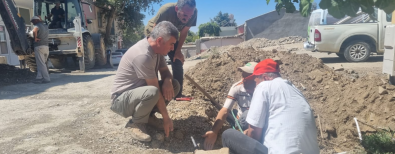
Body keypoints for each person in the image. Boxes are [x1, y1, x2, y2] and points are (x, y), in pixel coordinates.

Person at [221, 59, 320, 154]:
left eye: (255, 82)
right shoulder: (295, 89)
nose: (255, 86)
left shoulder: (264, 86)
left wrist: (246, 136)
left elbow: (254, 133)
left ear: (265, 77)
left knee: (228, 135)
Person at [111, 21, 180, 142]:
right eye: (171, 44)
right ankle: (136, 124)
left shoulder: (158, 52)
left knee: (174, 85)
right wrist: (166, 118)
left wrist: (168, 81)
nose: (173, 48)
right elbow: (156, 92)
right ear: (159, 41)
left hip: (139, 94)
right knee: (153, 92)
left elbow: (165, 72)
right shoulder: (143, 55)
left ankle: (148, 116)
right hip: (121, 100)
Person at [144, 0, 197, 99]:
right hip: (155, 34)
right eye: (185, 15)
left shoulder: (193, 12)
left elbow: (184, 32)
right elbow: (155, 32)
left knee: (177, 60)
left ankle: (177, 94)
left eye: (190, 16)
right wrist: (157, 51)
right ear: (177, 9)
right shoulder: (166, 10)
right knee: (155, 61)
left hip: (171, 35)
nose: (187, 18)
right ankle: (154, 93)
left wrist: (178, 51)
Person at [202, 62, 258, 150]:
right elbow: (225, 111)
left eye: (247, 76)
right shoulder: (237, 87)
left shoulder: (264, 89)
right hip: (243, 122)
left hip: (258, 124)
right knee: (248, 113)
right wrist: (214, 132)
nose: (244, 79)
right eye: (243, 75)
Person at [31, 16, 50, 84]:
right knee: (41, 63)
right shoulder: (45, 26)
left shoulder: (37, 25)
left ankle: (46, 79)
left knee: (41, 64)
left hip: (39, 46)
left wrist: (35, 38)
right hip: (46, 47)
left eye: (33, 21)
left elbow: (35, 30)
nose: (32, 23)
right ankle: (39, 77)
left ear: (36, 20)